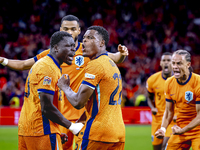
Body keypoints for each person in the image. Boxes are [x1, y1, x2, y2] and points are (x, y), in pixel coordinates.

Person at [0, 15, 128, 150]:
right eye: (66, 29)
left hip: (82, 115)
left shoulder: (89, 51)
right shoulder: (50, 56)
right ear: (61, 30)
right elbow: (24, 64)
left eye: (73, 29)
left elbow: (113, 57)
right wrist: (4, 60)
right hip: (60, 115)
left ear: (79, 30)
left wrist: (122, 54)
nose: (70, 32)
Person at [57, 26, 125, 150]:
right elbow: (101, 101)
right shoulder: (112, 65)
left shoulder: (95, 65)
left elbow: (78, 102)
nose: (85, 41)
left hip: (98, 133)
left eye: (90, 37)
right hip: (118, 131)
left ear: (102, 43)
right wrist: (81, 119)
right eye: (84, 38)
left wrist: (65, 87)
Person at [18, 31, 84, 150]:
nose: (73, 50)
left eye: (74, 47)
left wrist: (57, 130)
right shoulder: (48, 68)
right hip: (42, 131)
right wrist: (72, 127)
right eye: (69, 46)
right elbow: (46, 107)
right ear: (56, 47)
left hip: (28, 131)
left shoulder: (46, 65)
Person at [155, 50, 200, 150]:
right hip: (180, 129)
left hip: (198, 131)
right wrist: (163, 129)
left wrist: (183, 130)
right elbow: (169, 111)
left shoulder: (198, 83)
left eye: (179, 63)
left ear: (188, 65)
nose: (175, 66)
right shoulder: (169, 83)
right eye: (173, 63)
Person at [146, 52, 176, 150]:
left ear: (173, 63)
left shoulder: (178, 80)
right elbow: (149, 97)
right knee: (157, 148)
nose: (166, 62)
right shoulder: (152, 80)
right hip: (157, 119)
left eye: (169, 60)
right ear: (160, 63)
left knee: (165, 147)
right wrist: (152, 107)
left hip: (172, 119)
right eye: (164, 60)